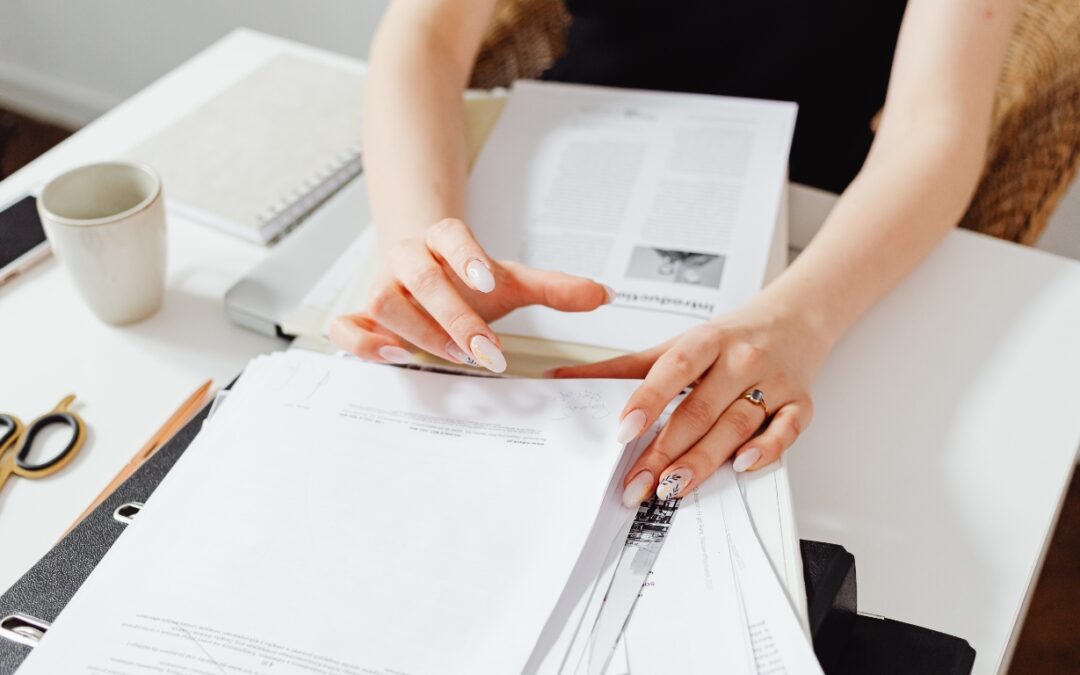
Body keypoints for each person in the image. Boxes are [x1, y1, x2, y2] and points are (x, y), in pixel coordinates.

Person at [331, 0, 1019, 507]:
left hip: (814, 232)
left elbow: (936, 121)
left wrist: (800, 323)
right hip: (561, 183)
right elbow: (428, 31)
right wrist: (422, 240)